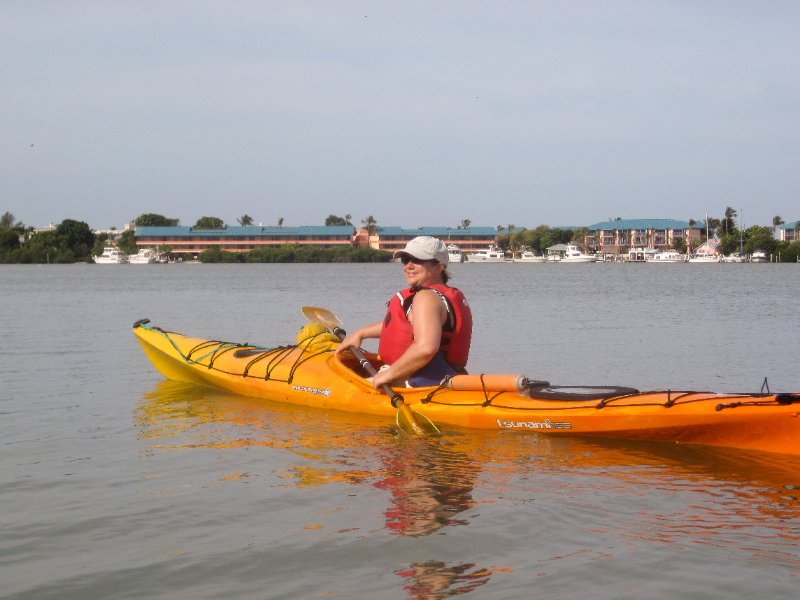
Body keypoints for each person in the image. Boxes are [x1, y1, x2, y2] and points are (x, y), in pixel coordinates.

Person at [336, 236, 472, 388]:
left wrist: (388, 374)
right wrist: (361, 333)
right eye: (405, 260)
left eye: (418, 260)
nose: (409, 266)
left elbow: (425, 348)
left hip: (413, 381)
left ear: (439, 267)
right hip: (445, 377)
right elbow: (401, 327)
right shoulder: (438, 296)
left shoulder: (426, 297)